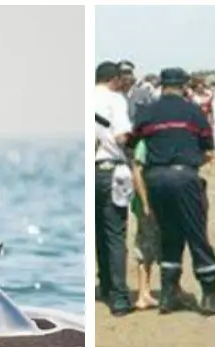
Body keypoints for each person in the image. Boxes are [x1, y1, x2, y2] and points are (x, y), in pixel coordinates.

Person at [132, 67, 215, 316]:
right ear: (184, 86)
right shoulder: (193, 112)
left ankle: (168, 295)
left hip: (155, 180)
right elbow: (208, 149)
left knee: (170, 237)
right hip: (184, 177)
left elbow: (135, 143)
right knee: (196, 235)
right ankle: (209, 296)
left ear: (162, 85)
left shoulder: (147, 113)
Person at [94, 60, 135, 316]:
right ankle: (119, 297)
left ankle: (106, 284)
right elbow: (121, 136)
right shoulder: (115, 100)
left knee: (99, 233)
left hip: (92, 170)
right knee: (115, 234)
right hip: (113, 168)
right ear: (113, 79)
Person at [130, 134, 161, 310]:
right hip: (147, 203)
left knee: (155, 245)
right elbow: (137, 171)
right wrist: (145, 202)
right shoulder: (145, 143)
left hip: (155, 202)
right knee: (145, 247)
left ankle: (147, 291)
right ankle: (143, 294)